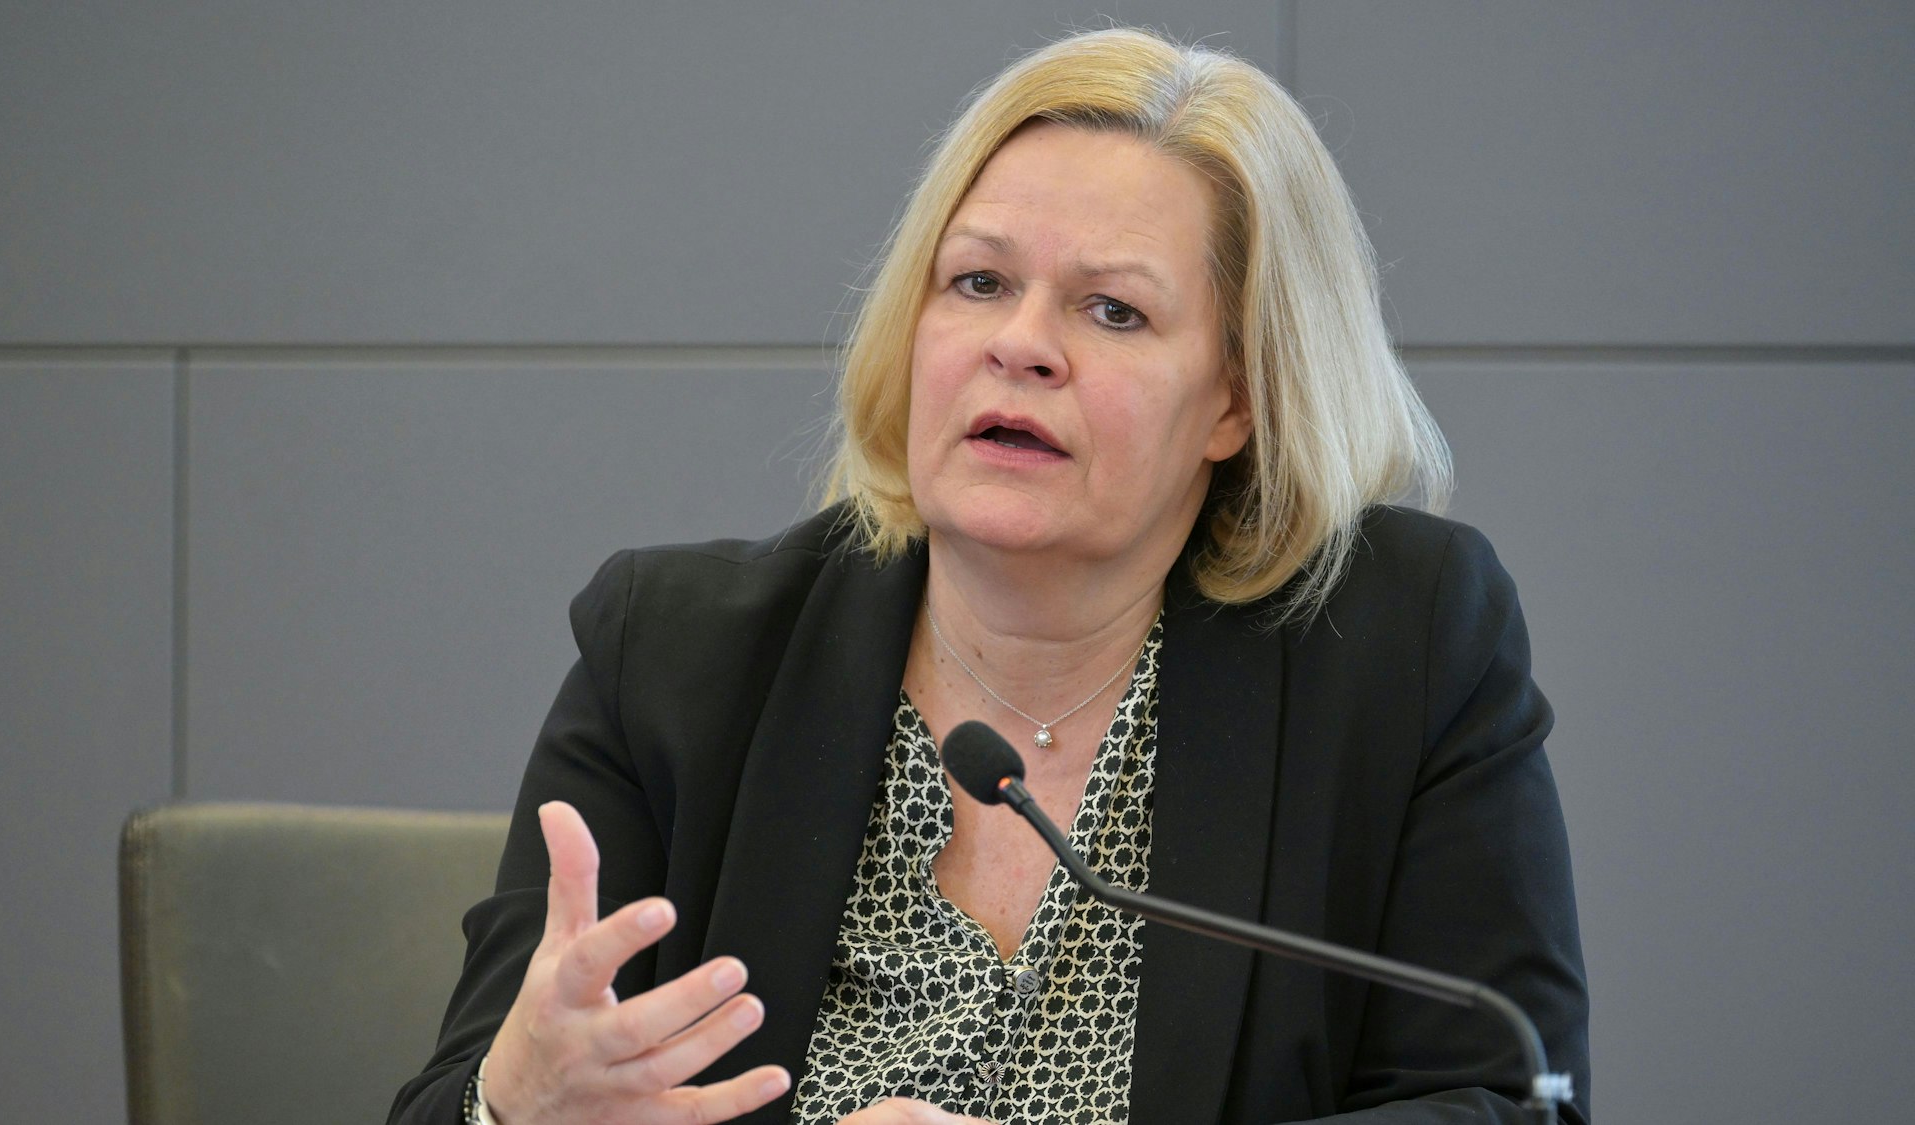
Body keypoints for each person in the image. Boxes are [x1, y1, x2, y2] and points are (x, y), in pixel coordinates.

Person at [389, 26, 1588, 1125]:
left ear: (1235, 396)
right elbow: (451, 1104)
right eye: (977, 282)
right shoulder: (674, 659)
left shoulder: (1399, 646)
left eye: (1112, 311)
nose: (1020, 343)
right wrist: (509, 1109)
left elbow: (1502, 1102)